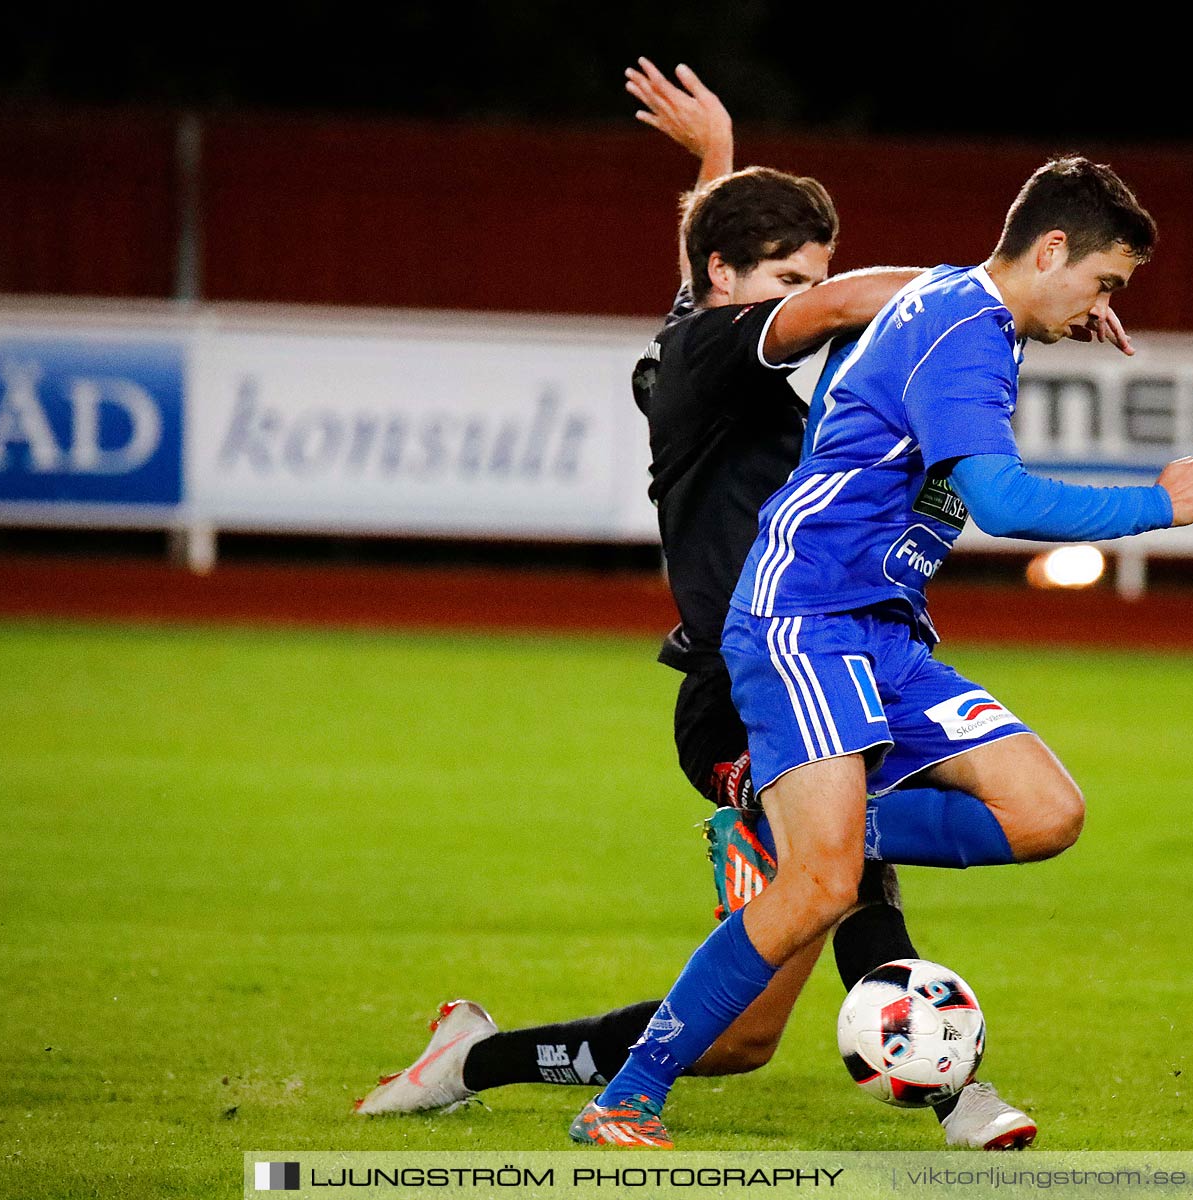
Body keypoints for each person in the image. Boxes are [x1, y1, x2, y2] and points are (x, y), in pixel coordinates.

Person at [353, 59, 1043, 1149]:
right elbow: (832, 301)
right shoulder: (715, 353)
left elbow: (713, 269)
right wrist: (1001, 294)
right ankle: (961, 1104)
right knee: (852, 870)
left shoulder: (714, 332)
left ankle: (475, 1057)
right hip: (737, 685)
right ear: (731, 279)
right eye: (787, 276)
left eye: (810, 270)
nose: (808, 296)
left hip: (819, 654)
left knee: (745, 1038)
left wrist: (717, 163)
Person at [567, 155, 1193, 1147]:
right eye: (1103, 280)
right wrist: (1162, 503)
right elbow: (1006, 504)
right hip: (804, 618)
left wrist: (1054, 312)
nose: (1104, 304)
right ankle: (629, 1094)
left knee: (1045, 811)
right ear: (1049, 249)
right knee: (820, 889)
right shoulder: (966, 330)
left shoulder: (966, 310)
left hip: (882, 627)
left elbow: (903, 303)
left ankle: (810, 827)